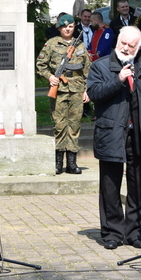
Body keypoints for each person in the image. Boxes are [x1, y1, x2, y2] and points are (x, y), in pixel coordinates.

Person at [86, 26, 141, 250]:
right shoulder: (100, 66)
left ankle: (135, 232)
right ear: (117, 40)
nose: (126, 48)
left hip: (140, 131)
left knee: (138, 185)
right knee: (110, 186)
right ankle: (112, 232)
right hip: (111, 132)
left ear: (139, 47)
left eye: (132, 45)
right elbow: (94, 94)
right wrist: (119, 79)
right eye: (123, 43)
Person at [36, 14, 92, 175]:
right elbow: (41, 64)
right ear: (59, 28)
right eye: (64, 26)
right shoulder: (52, 44)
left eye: (71, 26)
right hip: (59, 90)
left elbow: (87, 68)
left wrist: (87, 89)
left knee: (74, 125)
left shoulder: (80, 45)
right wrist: (50, 77)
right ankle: (58, 163)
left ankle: (72, 163)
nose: (68, 29)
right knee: (60, 125)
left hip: (76, 89)